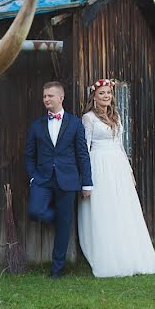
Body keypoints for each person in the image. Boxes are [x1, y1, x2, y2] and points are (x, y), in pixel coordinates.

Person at [77, 79, 155, 277]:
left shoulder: (115, 117)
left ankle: (128, 252)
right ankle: (106, 255)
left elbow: (120, 145)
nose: (106, 96)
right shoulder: (88, 118)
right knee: (105, 208)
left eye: (108, 93)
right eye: (102, 93)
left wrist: (129, 171)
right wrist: (86, 179)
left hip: (118, 165)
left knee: (123, 208)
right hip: (99, 164)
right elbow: (85, 148)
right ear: (94, 97)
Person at [25, 81, 93, 278]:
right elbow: (29, 155)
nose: (46, 99)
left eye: (50, 96)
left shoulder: (74, 123)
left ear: (61, 98)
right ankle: (56, 217)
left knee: (64, 226)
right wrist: (32, 178)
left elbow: (82, 155)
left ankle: (57, 270)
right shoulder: (36, 125)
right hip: (42, 180)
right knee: (35, 211)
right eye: (44, 96)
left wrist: (87, 183)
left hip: (68, 181)